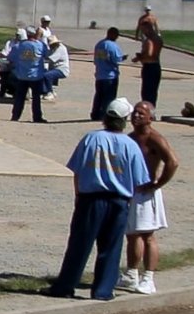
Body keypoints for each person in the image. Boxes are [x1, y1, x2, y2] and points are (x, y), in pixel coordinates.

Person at [45, 100, 151, 301]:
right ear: (124, 120)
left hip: (90, 198)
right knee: (111, 247)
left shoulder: (91, 139)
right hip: (119, 201)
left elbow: (77, 169)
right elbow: (139, 179)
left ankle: (65, 285)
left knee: (79, 244)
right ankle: (103, 290)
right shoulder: (131, 146)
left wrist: (78, 194)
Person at [125, 101, 179, 296]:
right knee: (131, 234)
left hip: (147, 192)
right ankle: (131, 274)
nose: (136, 116)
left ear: (151, 117)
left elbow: (172, 162)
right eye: (134, 113)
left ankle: (148, 277)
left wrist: (157, 184)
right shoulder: (130, 138)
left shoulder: (155, 138)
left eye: (141, 113)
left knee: (147, 235)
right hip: (133, 191)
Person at [91, 26, 125, 123]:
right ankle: (105, 115)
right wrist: (122, 58)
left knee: (99, 96)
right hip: (110, 75)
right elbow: (116, 59)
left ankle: (95, 113)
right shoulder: (112, 46)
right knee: (109, 97)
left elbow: (100, 59)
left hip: (100, 74)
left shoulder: (100, 44)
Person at [136, 6, 165, 109]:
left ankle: (147, 110)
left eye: (143, 30)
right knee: (153, 91)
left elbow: (149, 55)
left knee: (146, 92)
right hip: (157, 66)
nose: (142, 32)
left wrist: (139, 58)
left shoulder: (149, 41)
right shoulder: (158, 39)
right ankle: (152, 110)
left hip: (149, 66)